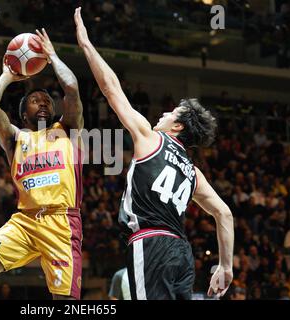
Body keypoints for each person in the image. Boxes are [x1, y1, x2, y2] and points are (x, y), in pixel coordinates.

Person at [74, 8, 234, 300]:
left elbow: (112, 90)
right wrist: (225, 266)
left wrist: (86, 44)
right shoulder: (192, 171)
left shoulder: (150, 138)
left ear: (178, 125)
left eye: (171, 112)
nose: (163, 112)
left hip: (150, 246)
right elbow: (223, 213)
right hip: (182, 254)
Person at [0, 28, 84, 300]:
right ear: (24, 113)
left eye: (48, 100)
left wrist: (52, 55)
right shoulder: (15, 138)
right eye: (36, 101)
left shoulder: (68, 129)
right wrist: (7, 75)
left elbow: (71, 88)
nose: (44, 103)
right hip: (24, 222)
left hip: (61, 222)